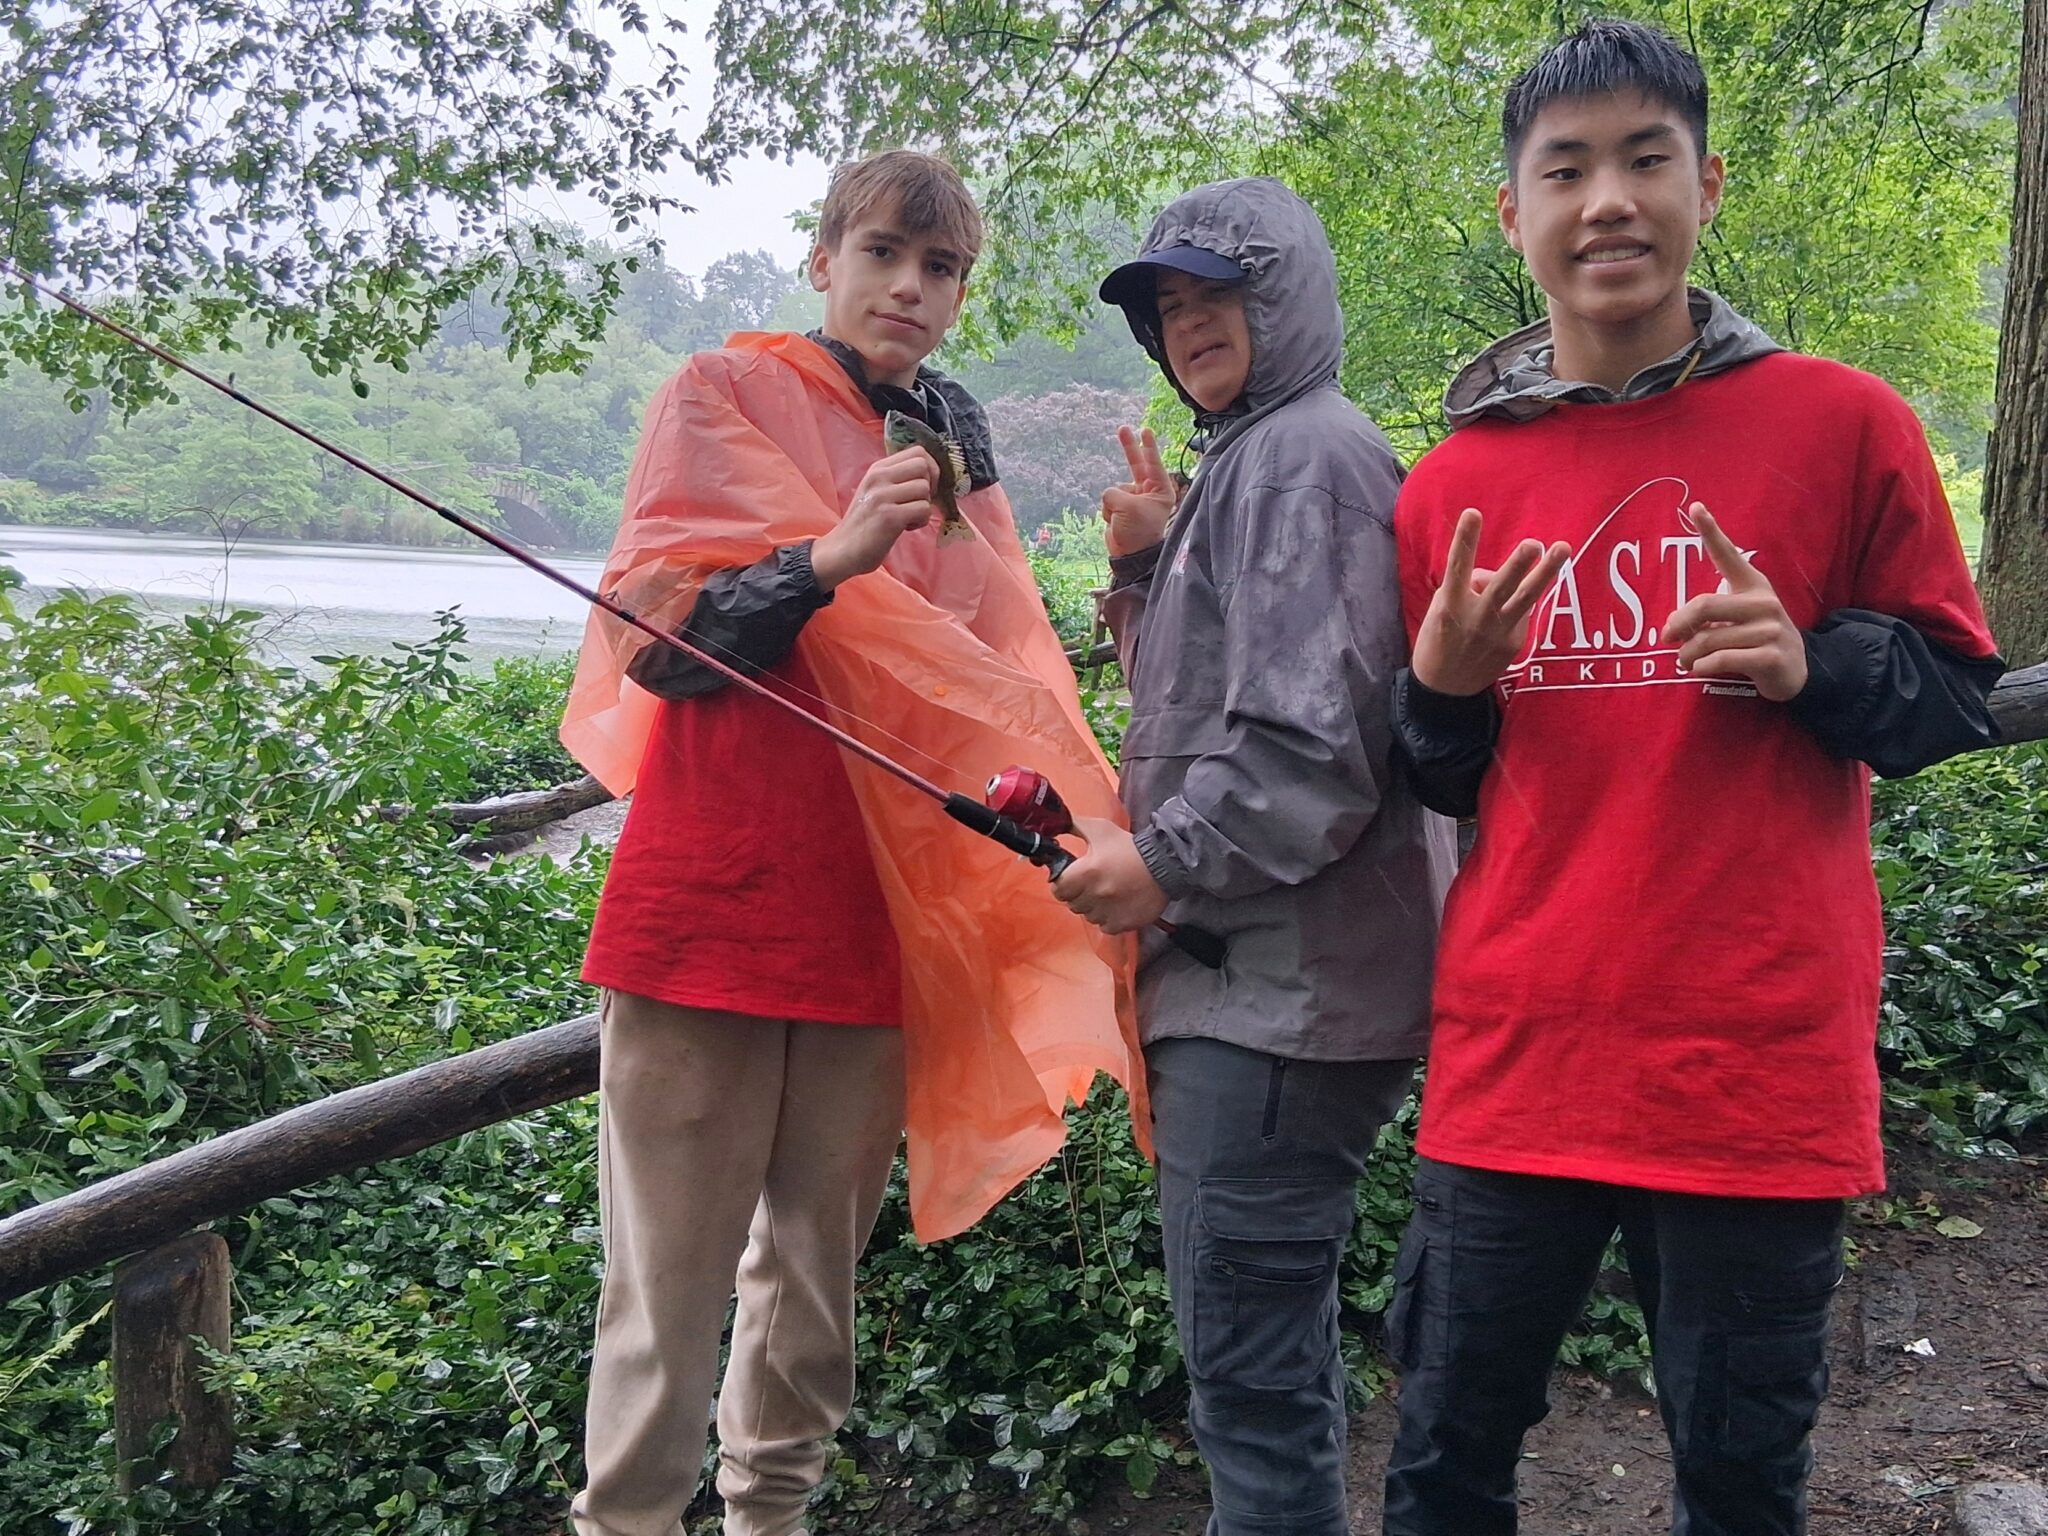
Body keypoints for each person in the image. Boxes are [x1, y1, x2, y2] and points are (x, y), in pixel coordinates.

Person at [1378, 21, 2006, 1535]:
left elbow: (1954, 698)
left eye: (1645, 159)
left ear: (1706, 184)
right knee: (1442, 1467)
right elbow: (1442, 777)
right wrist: (1440, 693)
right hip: (1517, 1061)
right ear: (1513, 213)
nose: (1609, 199)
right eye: (1567, 168)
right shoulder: (1453, 487)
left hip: (1751, 1063)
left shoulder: (1844, 427)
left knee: (1740, 1485)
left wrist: (1811, 664)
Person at [558, 149, 1145, 1536]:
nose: (910, 287)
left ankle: (775, 1516)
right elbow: (664, 649)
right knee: (667, 1289)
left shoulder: (952, 451)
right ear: (823, 259)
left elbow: (1000, 689)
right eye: (883, 252)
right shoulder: (720, 396)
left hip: (883, 912)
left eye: (941, 268)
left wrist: (1082, 834)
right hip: (708, 903)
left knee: (813, 1273)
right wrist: (826, 559)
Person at [1053, 176, 1456, 1536]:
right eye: (1167, 304)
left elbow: (1309, 745)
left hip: (1279, 1003)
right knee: (1258, 1371)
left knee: (1250, 1384)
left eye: (1215, 291)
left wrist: (1161, 866)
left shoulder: (1306, 459)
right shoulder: (1256, 460)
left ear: (1285, 297)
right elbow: (1200, 706)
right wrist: (1143, 573)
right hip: (1263, 988)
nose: (1187, 321)